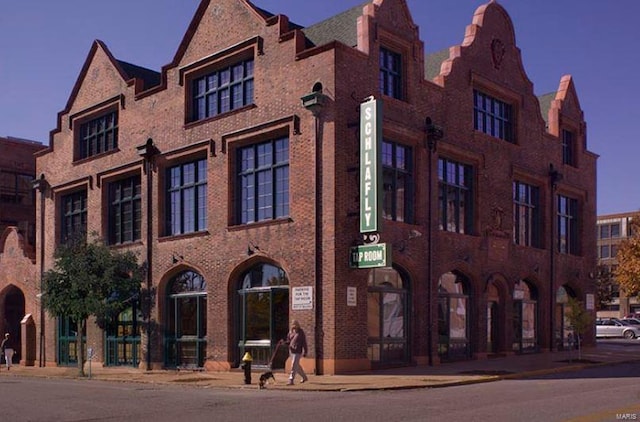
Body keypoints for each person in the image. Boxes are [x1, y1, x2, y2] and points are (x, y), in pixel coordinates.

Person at [285, 320, 308, 385]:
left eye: (295, 326)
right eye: (293, 325)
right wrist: (285, 342)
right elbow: (288, 340)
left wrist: (305, 351)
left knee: (293, 365)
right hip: (291, 350)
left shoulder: (301, 332)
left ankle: (291, 379)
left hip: (298, 351)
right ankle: (304, 377)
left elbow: (304, 342)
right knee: (296, 366)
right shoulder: (290, 332)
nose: (294, 327)